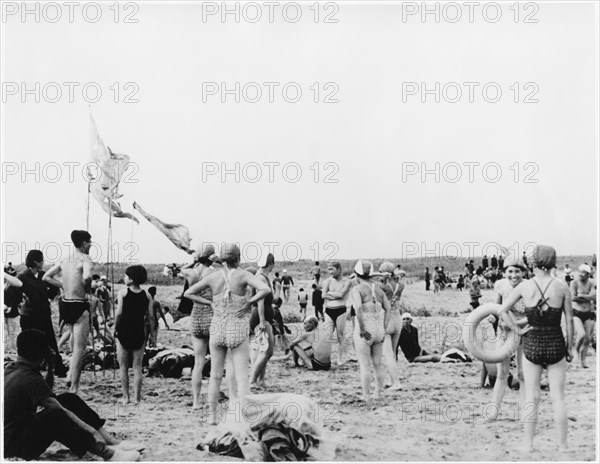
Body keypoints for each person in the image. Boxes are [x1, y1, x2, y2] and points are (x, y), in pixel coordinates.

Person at [4, 329, 142, 461]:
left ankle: (111, 441)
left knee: (67, 399)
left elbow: (45, 391)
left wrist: (50, 368)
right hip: (15, 447)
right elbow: (59, 409)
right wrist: (92, 432)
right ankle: (106, 453)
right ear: (41, 352)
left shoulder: (11, 368)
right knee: (56, 415)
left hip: (11, 437)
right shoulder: (30, 378)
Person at [184, 243, 270, 425]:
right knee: (241, 375)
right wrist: (248, 303)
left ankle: (211, 416)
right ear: (238, 258)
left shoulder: (214, 276)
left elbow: (189, 293)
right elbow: (265, 289)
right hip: (237, 327)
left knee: (215, 375)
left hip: (217, 327)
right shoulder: (243, 275)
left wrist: (209, 304)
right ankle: (243, 414)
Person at [498, 245, 573, 452]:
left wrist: (515, 329)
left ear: (532, 263)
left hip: (532, 343)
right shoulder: (562, 286)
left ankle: (528, 444)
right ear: (553, 262)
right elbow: (569, 321)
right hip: (556, 342)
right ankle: (563, 445)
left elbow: (502, 310)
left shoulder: (525, 287)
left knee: (531, 396)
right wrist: (569, 347)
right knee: (558, 397)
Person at [43, 230, 93, 393]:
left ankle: (71, 374)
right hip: (79, 304)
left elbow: (46, 277)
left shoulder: (65, 258)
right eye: (90, 242)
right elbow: (86, 277)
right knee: (80, 348)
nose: (91, 245)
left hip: (65, 304)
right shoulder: (85, 258)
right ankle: (74, 387)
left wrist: (64, 286)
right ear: (85, 243)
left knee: (72, 337)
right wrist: (88, 287)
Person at [486, 254, 528, 422]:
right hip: (504, 332)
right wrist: (493, 318)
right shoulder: (500, 285)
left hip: (524, 331)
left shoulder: (528, 287)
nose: (514, 275)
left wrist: (516, 325)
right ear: (504, 272)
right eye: (510, 271)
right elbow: (496, 307)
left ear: (523, 272)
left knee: (523, 373)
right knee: (502, 373)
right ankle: (493, 413)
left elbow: (533, 314)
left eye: (517, 271)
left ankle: (526, 413)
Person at [180, 244, 219, 409]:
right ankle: (212, 400)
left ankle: (196, 401)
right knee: (216, 362)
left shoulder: (191, 273)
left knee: (198, 363)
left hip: (196, 316)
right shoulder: (215, 273)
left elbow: (183, 268)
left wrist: (193, 260)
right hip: (212, 315)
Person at [17, 250, 67, 378]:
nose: (43, 262)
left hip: (44, 314)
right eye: (41, 260)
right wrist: (20, 301)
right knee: (29, 343)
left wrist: (49, 297)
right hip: (28, 315)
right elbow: (13, 290)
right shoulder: (22, 277)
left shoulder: (43, 275)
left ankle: (59, 368)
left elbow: (55, 287)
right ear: (35, 261)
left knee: (50, 341)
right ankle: (30, 369)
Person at [349, 260, 390, 401]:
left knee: (364, 364)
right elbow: (388, 308)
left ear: (356, 274)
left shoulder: (357, 289)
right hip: (379, 328)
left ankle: (366, 395)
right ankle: (378, 393)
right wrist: (384, 327)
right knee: (378, 363)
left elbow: (358, 308)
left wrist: (361, 328)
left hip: (366, 326)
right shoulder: (378, 289)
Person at [114, 265, 152, 405]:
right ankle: (137, 398)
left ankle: (126, 397)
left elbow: (119, 313)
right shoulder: (147, 294)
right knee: (137, 367)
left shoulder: (122, 293)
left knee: (123, 366)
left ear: (130, 279)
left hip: (124, 330)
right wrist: (151, 335)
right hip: (138, 331)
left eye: (125, 276)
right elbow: (150, 317)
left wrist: (115, 328)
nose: (124, 278)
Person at [249, 253, 276, 388]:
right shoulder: (261, 277)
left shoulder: (261, 276)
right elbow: (260, 302)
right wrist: (262, 321)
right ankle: (253, 380)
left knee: (259, 350)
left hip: (262, 315)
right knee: (267, 351)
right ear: (270, 264)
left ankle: (260, 380)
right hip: (260, 316)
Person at [374, 261, 402, 390]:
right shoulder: (400, 284)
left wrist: (378, 274)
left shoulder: (383, 287)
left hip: (386, 318)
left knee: (388, 354)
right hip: (398, 318)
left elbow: (368, 280)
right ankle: (393, 380)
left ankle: (396, 383)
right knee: (394, 352)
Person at [322, 262, 352, 365]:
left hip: (341, 310)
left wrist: (330, 294)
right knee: (327, 335)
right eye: (329, 269)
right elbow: (323, 295)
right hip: (329, 310)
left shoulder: (347, 281)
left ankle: (340, 358)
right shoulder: (327, 281)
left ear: (339, 269)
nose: (330, 272)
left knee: (340, 336)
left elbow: (342, 294)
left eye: (332, 269)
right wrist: (336, 295)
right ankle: (327, 358)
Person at [570, 264, 596, 368]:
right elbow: (573, 297)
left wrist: (581, 296)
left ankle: (583, 361)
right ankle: (575, 350)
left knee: (588, 338)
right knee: (581, 334)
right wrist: (587, 298)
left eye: (583, 272)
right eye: (580, 272)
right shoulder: (574, 283)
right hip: (577, 312)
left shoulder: (591, 283)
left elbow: (594, 297)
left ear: (588, 274)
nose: (581, 274)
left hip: (588, 313)